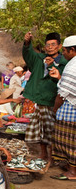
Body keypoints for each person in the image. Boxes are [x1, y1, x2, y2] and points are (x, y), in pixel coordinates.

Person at [22, 31, 68, 162]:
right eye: (47, 45)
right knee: (41, 130)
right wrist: (27, 43)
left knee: (53, 130)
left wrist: (51, 65)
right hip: (39, 100)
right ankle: (43, 154)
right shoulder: (39, 58)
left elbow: (62, 80)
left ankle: (53, 155)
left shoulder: (64, 62)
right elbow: (28, 54)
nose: (50, 47)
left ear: (59, 46)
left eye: (53, 44)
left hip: (54, 101)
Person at [49, 35, 76, 181]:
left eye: (65, 51)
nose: (63, 53)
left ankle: (72, 171)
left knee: (69, 140)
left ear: (72, 50)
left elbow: (63, 93)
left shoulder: (72, 66)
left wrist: (55, 108)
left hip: (71, 110)